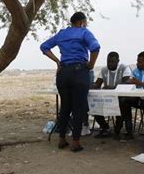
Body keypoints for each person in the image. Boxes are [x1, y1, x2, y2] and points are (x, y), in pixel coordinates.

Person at [40, 12, 100, 152]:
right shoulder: (84, 32)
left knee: (65, 107)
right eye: (85, 22)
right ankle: (75, 142)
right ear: (81, 22)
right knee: (78, 108)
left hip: (63, 73)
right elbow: (95, 47)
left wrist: (57, 61)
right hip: (79, 72)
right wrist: (91, 65)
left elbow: (44, 47)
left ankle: (62, 139)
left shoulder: (61, 34)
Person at [91, 51, 132, 138]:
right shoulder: (104, 70)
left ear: (118, 61)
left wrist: (111, 87)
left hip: (122, 97)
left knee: (123, 103)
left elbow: (126, 83)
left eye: (112, 61)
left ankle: (119, 130)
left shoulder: (124, 68)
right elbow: (98, 84)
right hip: (108, 98)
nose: (109, 64)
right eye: (108, 61)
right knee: (93, 104)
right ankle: (105, 129)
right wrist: (88, 85)